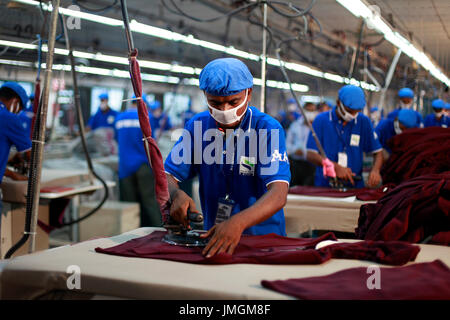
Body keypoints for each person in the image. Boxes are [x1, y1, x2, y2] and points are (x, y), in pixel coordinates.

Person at [164, 58, 290, 258]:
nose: (224, 111)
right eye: (215, 103)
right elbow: (168, 176)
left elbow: (278, 194)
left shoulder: (267, 129)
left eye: (233, 102)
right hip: (214, 236)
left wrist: (238, 222)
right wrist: (176, 194)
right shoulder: (198, 126)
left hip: (262, 240)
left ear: (249, 93)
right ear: (205, 95)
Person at [306, 85, 383, 189]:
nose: (353, 115)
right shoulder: (321, 120)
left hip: (355, 186)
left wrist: (375, 170)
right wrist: (333, 166)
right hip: (325, 185)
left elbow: (378, 152)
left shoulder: (363, 122)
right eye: (350, 111)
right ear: (338, 103)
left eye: (357, 111)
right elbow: (310, 154)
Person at [114, 97, 161, 227]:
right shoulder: (146, 116)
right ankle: (159, 232)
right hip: (142, 164)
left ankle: (131, 236)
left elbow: (116, 139)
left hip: (124, 166)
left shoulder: (119, 118)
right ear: (143, 104)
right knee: (150, 203)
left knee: (129, 206)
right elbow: (151, 142)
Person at [0, 82, 32, 211]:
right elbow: (31, 155)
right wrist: (15, 175)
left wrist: (9, 163)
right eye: (19, 108)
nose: (18, 112)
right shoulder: (9, 117)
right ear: (15, 101)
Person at [285, 102, 317, 186]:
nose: (310, 113)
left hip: (311, 165)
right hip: (296, 164)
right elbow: (286, 144)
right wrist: (294, 150)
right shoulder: (295, 125)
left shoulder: (317, 127)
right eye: (308, 110)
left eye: (312, 110)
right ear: (303, 111)